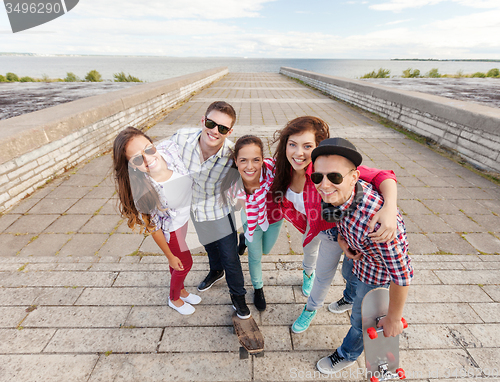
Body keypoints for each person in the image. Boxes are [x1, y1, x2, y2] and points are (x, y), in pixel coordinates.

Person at [269, 117, 399, 332]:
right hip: (311, 227)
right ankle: (306, 274)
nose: (298, 153)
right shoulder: (283, 170)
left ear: (318, 148)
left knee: (326, 274)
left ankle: (310, 308)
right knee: (308, 253)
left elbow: (383, 175)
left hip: (334, 231)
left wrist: (390, 208)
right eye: (292, 144)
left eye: (307, 146)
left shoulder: (326, 170)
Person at [310, 137, 413, 375]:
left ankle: (347, 354)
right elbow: (338, 218)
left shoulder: (379, 223)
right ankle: (349, 297)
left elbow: (402, 274)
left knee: (359, 321)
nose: (324, 185)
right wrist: (341, 240)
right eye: (318, 177)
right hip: (356, 255)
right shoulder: (336, 194)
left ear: (354, 177)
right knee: (347, 274)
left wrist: (394, 318)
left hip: (376, 273)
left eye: (334, 177)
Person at [169, 101, 251, 319]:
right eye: (211, 123)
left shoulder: (232, 154)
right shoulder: (180, 138)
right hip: (192, 209)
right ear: (203, 120)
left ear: (230, 131)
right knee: (209, 247)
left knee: (230, 256)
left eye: (222, 128)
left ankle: (238, 297)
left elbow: (253, 172)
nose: (215, 131)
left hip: (219, 211)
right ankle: (216, 271)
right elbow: (158, 160)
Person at [113, 127, 201, 315]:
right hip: (171, 231)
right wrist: (169, 255)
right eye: (137, 159)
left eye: (149, 149)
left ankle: (181, 290)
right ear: (131, 166)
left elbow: (189, 136)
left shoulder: (168, 150)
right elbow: (154, 229)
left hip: (184, 221)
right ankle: (174, 298)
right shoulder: (143, 191)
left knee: (178, 265)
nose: (148, 158)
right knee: (183, 263)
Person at [220, 135, 284, 311]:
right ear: (236, 160)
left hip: (275, 219)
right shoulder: (233, 182)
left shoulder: (274, 172)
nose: (250, 166)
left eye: (256, 160)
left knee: (265, 250)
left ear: (263, 159)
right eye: (243, 160)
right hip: (251, 221)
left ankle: (244, 240)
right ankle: (258, 288)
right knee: (255, 257)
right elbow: (241, 206)